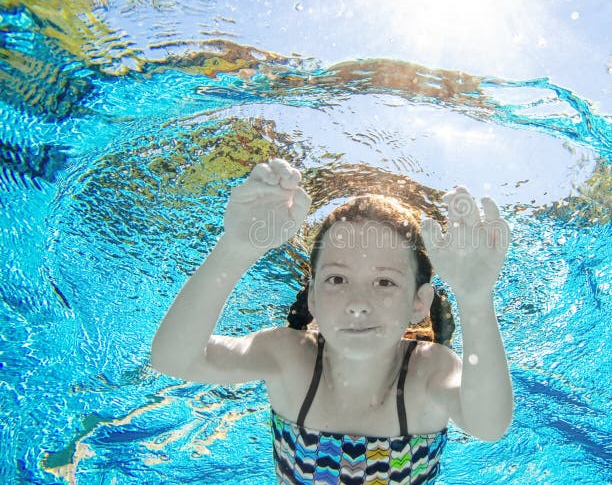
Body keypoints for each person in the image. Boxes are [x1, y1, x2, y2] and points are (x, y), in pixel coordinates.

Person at [150, 159, 514, 484]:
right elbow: (173, 360)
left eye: (384, 282)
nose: (358, 304)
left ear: (419, 303)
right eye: (337, 279)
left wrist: (475, 299)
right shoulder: (288, 356)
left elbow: (488, 424)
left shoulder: (427, 370)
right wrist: (237, 247)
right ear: (312, 296)